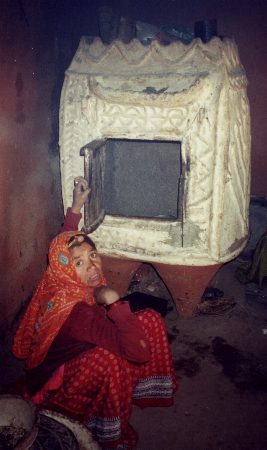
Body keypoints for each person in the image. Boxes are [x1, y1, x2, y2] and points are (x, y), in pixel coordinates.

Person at [12, 178, 177, 450]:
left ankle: (142, 388)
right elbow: (140, 353)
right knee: (118, 352)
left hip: (58, 356)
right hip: (59, 380)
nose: (91, 266)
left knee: (145, 319)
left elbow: (65, 241)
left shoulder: (58, 279)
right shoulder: (82, 314)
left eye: (93, 255)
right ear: (66, 267)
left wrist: (76, 206)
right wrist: (112, 300)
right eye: (79, 263)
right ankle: (107, 424)